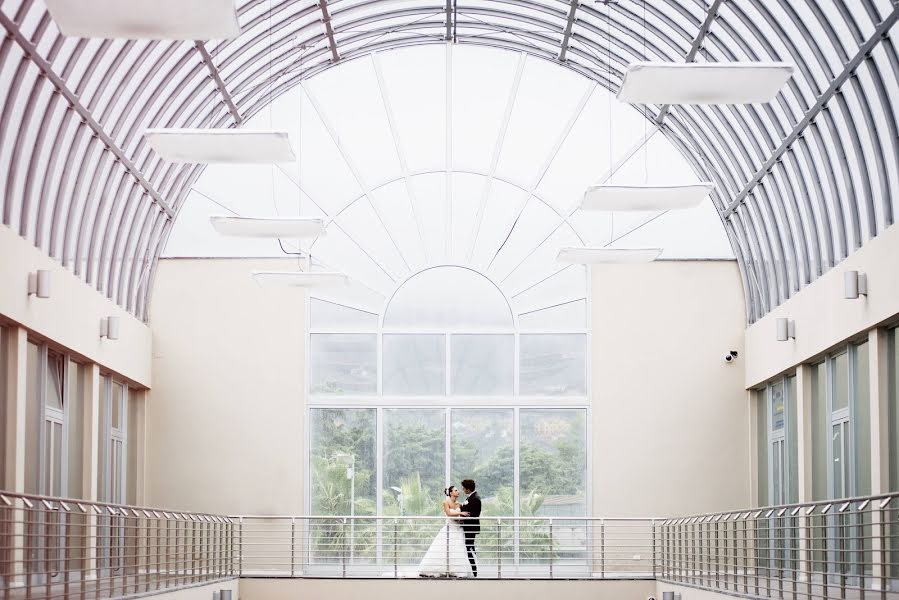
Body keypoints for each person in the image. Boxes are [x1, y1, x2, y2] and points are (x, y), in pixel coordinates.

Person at [417, 485, 471, 578]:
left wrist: (461, 519)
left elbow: (461, 516)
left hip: (458, 528)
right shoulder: (446, 502)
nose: (458, 492)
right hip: (450, 528)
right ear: (451, 493)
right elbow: (449, 513)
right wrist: (460, 513)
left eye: (458, 490)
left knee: (457, 549)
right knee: (443, 549)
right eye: (456, 490)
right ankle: (433, 569)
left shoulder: (459, 504)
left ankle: (455, 570)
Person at [460, 479, 481, 577]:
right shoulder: (470, 497)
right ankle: (473, 568)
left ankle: (474, 570)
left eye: (464, 488)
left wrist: (464, 515)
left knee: (469, 547)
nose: (463, 490)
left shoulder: (475, 498)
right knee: (469, 547)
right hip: (467, 527)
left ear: (468, 489)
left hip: (471, 527)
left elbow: (475, 514)